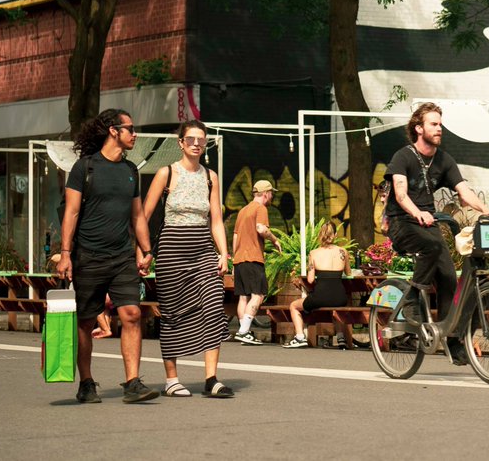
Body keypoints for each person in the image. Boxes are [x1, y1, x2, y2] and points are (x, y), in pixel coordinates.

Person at [383, 102, 489, 365]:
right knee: (432, 247)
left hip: (428, 225)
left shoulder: (444, 160)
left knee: (449, 278)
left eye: (440, 124)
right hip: (402, 222)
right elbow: (400, 195)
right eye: (433, 124)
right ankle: (412, 299)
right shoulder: (403, 157)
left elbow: (464, 191)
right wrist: (418, 213)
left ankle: (453, 339)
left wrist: (486, 209)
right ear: (418, 128)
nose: (439, 128)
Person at [56, 108, 158, 404]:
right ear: (114, 131)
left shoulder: (130, 170)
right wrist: (65, 254)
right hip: (88, 256)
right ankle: (86, 382)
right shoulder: (84, 167)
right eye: (130, 128)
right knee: (87, 322)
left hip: (122, 257)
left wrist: (147, 250)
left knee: (132, 314)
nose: (134, 133)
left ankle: (132, 383)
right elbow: (72, 212)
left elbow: (137, 215)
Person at [141, 120, 233, 398]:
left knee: (214, 303)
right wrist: (143, 251)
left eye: (201, 139)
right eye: (191, 139)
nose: (196, 143)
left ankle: (211, 379)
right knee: (171, 311)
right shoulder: (166, 173)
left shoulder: (211, 177)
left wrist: (224, 253)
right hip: (172, 249)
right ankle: (172, 379)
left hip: (203, 249)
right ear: (180, 142)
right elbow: (142, 217)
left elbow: (216, 220)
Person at [282, 223, 357, 349]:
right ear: (335, 235)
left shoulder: (314, 253)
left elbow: (310, 280)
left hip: (320, 296)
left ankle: (300, 337)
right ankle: (341, 339)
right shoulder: (343, 252)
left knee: (294, 306)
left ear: (320, 235)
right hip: (340, 297)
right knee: (336, 309)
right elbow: (348, 273)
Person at [231, 179, 281, 345]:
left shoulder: (242, 211)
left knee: (243, 297)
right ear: (266, 194)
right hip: (253, 258)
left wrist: (234, 258)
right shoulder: (261, 208)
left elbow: (236, 236)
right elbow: (261, 228)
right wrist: (274, 239)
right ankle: (244, 331)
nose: (272, 196)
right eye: (271, 193)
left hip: (239, 259)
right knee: (258, 295)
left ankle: (243, 331)